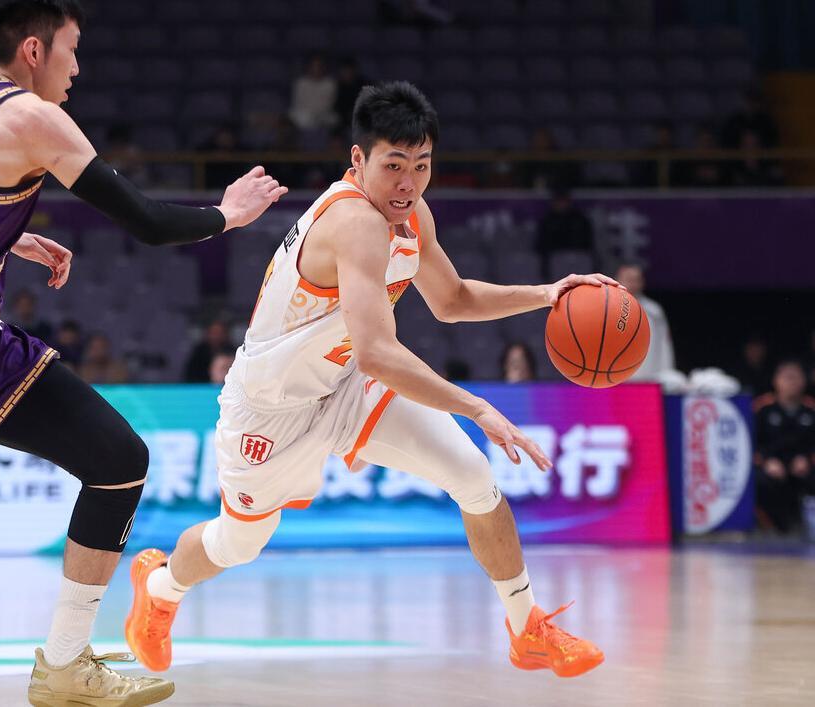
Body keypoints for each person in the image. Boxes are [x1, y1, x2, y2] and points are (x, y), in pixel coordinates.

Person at [0, 2, 286, 705]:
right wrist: (228, 215)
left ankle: (64, 664)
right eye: (70, 49)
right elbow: (146, 221)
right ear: (34, 50)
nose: (77, 67)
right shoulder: (34, 118)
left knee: (118, 460)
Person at [125, 81, 610, 680]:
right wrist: (477, 407)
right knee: (237, 544)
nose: (408, 183)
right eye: (394, 166)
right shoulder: (354, 220)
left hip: (348, 382)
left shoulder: (411, 212)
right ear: (358, 159)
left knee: (473, 477)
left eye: (422, 166)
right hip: (272, 406)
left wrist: (546, 294)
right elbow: (380, 352)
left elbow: (453, 300)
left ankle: (526, 628)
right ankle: (160, 588)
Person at [754, 360, 815, 533]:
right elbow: (750, 443)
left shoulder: (811, 408)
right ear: (776, 380)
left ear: (804, 381)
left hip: (803, 464)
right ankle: (772, 526)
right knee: (759, 480)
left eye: (795, 377)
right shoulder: (762, 407)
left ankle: (806, 524)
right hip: (771, 464)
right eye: (787, 377)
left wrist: (808, 460)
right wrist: (766, 462)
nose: (791, 383)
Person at [614, 262, 675, 382]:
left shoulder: (654, 311)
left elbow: (665, 345)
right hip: (615, 378)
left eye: (636, 280)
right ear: (618, 280)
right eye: (628, 279)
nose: (632, 284)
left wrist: (667, 373)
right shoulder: (607, 308)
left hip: (648, 377)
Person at [181, 318, 234, 383]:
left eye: (220, 333)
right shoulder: (199, 353)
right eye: (213, 333)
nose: (216, 336)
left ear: (226, 334)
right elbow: (190, 376)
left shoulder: (234, 352)